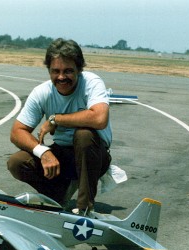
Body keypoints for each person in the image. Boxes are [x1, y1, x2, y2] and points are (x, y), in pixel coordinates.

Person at [7, 38, 112, 215]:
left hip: (94, 155)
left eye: (68, 71)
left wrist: (56, 119)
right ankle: (55, 197)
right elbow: (17, 132)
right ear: (49, 70)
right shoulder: (43, 92)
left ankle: (85, 208)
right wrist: (44, 152)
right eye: (55, 71)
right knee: (17, 162)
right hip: (62, 155)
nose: (61, 77)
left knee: (84, 135)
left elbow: (100, 118)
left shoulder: (91, 82)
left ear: (79, 70)